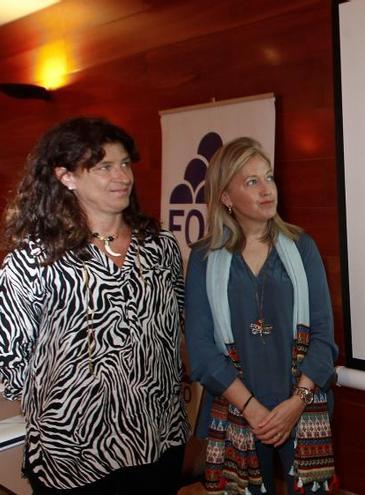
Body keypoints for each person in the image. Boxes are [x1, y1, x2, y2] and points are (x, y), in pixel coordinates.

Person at [0, 117, 189, 494]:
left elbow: (176, 328)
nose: (122, 176)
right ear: (66, 176)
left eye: (124, 164)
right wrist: (74, 396)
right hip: (72, 454)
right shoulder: (34, 259)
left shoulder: (161, 245)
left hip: (159, 440)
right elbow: (10, 364)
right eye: (104, 166)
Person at [185, 137, 338, 495]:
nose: (267, 189)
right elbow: (203, 353)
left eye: (268, 177)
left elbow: (323, 338)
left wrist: (293, 406)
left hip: (301, 406)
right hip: (235, 409)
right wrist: (253, 409)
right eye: (251, 181)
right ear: (225, 196)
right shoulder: (204, 259)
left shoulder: (302, 246)